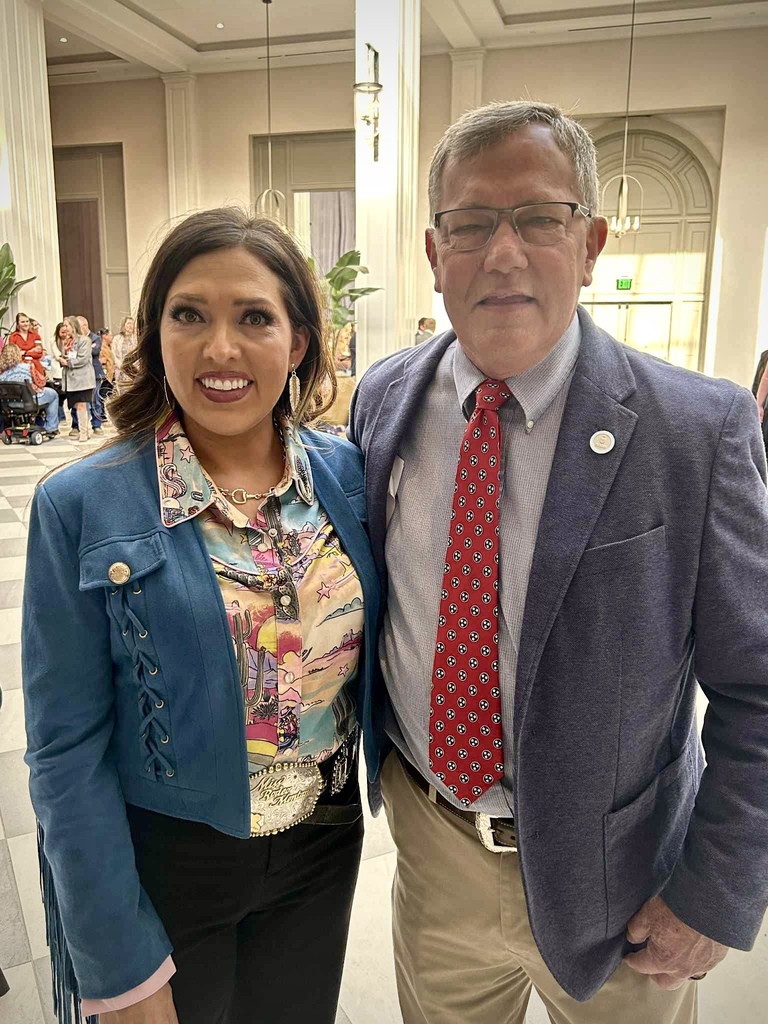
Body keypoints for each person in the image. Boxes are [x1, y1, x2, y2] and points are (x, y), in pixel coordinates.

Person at [348, 100, 768, 1024]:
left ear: (591, 244)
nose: (503, 253)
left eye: (540, 218)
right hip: (436, 856)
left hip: (624, 888)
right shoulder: (384, 401)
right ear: (433, 251)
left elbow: (759, 690)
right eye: (470, 224)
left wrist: (716, 893)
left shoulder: (697, 432)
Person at [23, 208, 380, 1024]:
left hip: (321, 849)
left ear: (297, 343)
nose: (220, 348)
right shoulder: (83, 504)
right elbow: (65, 752)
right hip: (167, 862)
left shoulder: (347, 479)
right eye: (190, 315)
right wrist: (117, 965)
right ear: (155, 334)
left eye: (254, 317)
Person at [0, 342, 59, 437]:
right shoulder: (27, 367)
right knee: (53, 394)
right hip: (29, 402)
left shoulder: (2, 374)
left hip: (10, 405)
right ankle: (51, 428)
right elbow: (41, 382)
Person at [56, 315, 96, 443]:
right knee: (75, 406)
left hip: (82, 379)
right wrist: (61, 360)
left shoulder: (85, 340)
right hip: (71, 380)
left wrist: (68, 362)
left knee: (81, 405)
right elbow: (66, 356)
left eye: (66, 325)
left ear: (73, 326)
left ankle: (84, 432)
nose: (65, 328)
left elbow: (82, 359)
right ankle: (82, 430)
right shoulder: (67, 341)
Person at [78, 314, 105, 434]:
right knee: (81, 401)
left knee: (95, 399)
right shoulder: (76, 339)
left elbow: (94, 351)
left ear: (84, 326)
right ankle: (77, 426)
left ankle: (97, 425)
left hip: (95, 372)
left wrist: (85, 347)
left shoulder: (96, 337)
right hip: (81, 374)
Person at [8, 312, 47, 389]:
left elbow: (39, 354)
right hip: (20, 369)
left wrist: (24, 352)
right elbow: (13, 354)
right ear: (18, 324)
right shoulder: (13, 337)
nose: (26, 324)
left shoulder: (36, 336)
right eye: (23, 322)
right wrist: (32, 350)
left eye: (27, 321)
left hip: (36, 368)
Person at [112, 314, 136, 384]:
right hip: (121, 370)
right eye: (128, 323)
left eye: (132, 324)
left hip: (133, 371)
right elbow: (113, 353)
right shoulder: (117, 338)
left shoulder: (136, 338)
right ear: (124, 325)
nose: (130, 326)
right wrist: (121, 365)